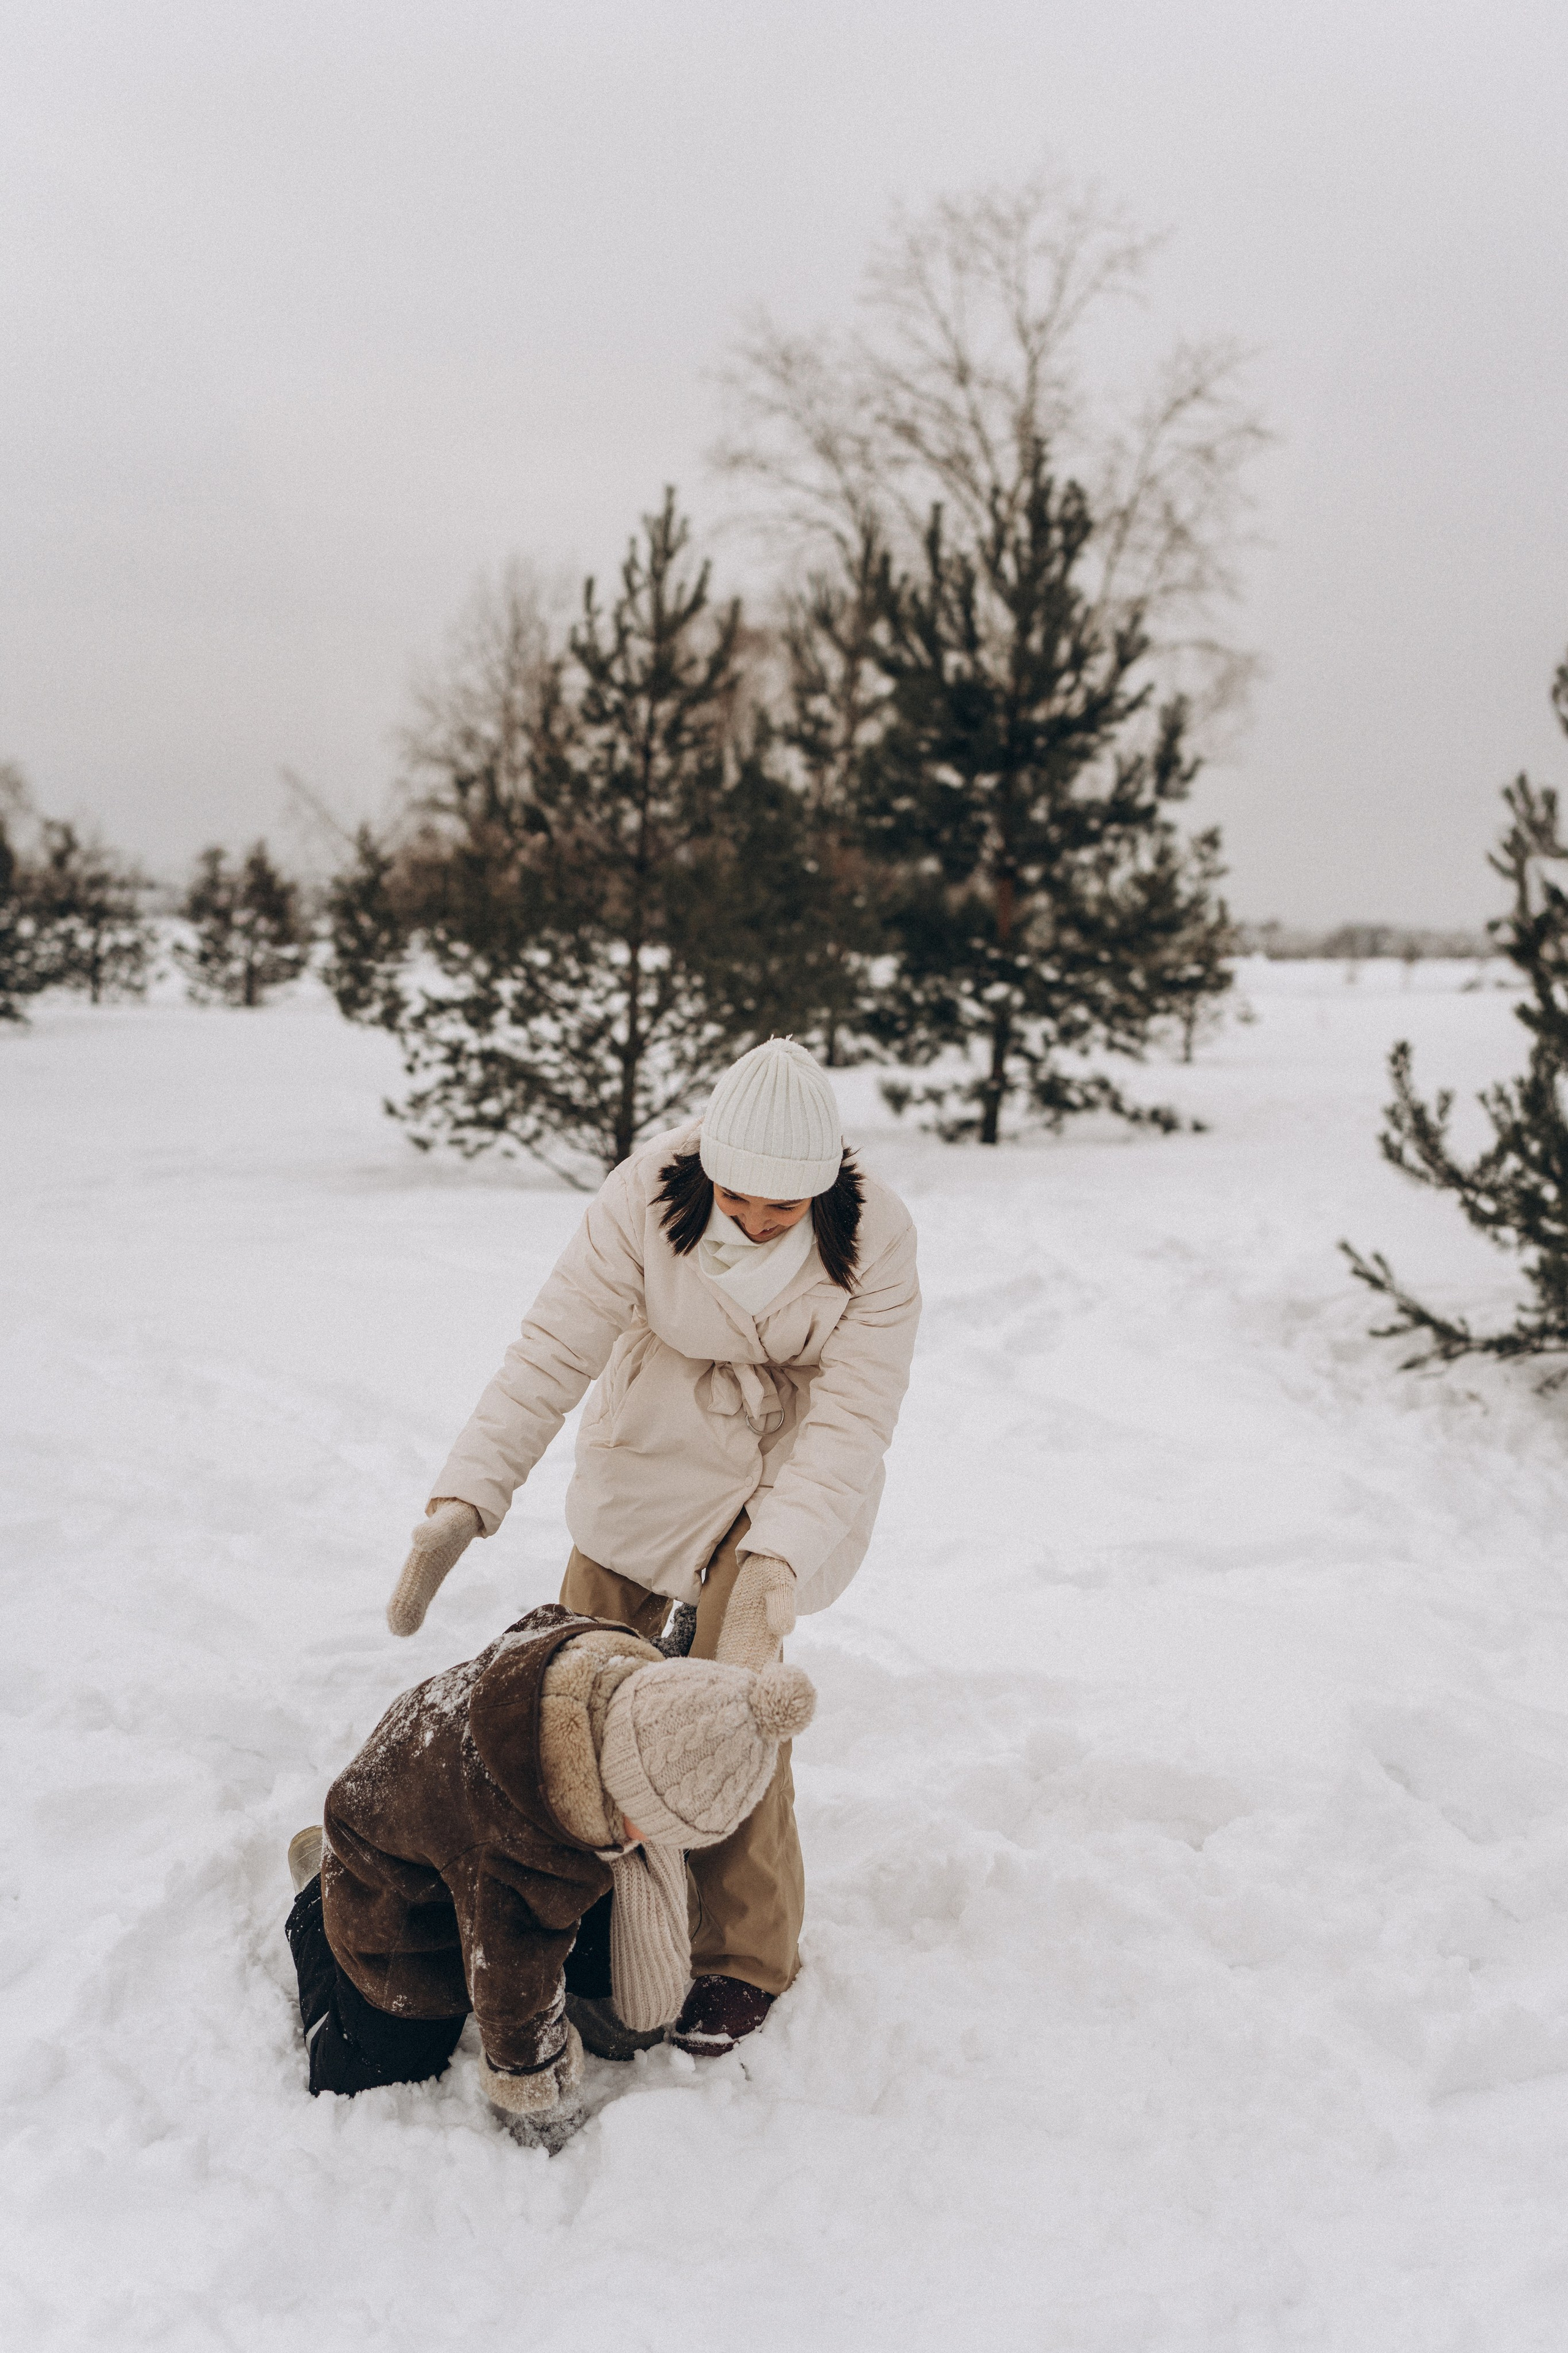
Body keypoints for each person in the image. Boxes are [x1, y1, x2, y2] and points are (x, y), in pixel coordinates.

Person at [385, 1036, 922, 2055]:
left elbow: (856, 1416)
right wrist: (469, 1493)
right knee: (572, 1675)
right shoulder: (642, 1197)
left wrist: (777, 1561)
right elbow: (551, 1348)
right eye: (742, 1197)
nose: (761, 1218)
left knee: (733, 1695)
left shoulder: (879, 1236)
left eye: (785, 1205)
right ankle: (562, 1898)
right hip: (657, 1434)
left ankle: (743, 1948)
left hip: (793, 1463)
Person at [285, 1600, 816, 2149]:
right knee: (378, 2067)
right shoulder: (518, 1836)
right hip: (389, 1878)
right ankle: (313, 1899)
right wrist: (540, 2097)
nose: (652, 1840)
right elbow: (511, 1982)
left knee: (610, 1997)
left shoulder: (617, 1683)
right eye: (651, 1823)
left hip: (473, 1836)